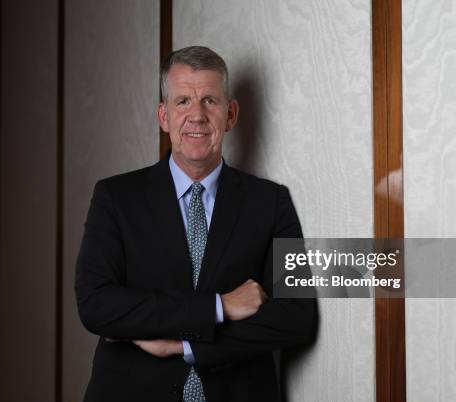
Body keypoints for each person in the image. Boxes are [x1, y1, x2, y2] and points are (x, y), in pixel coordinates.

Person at [75, 46, 315, 402]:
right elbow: (96, 304)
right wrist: (219, 307)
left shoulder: (271, 201)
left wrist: (184, 345)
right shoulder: (116, 197)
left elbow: (296, 315)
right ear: (164, 116)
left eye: (210, 101)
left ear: (231, 115)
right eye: (183, 101)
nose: (197, 115)